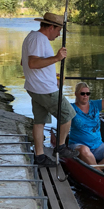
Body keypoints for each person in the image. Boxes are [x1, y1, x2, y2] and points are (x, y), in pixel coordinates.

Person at [21, 12, 78, 168]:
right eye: (58, 30)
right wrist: (56, 58)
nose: (59, 34)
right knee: (68, 114)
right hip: (44, 89)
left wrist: (52, 73)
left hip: (36, 87)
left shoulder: (32, 37)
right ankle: (60, 146)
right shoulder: (39, 39)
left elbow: (25, 63)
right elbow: (32, 63)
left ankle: (39, 156)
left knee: (40, 121)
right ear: (51, 27)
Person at [68, 77, 104, 174]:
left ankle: (97, 171)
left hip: (98, 146)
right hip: (78, 146)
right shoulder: (70, 108)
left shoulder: (95, 104)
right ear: (76, 94)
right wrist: (57, 84)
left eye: (87, 93)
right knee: (84, 150)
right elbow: (57, 104)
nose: (85, 96)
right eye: (82, 93)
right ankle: (102, 174)